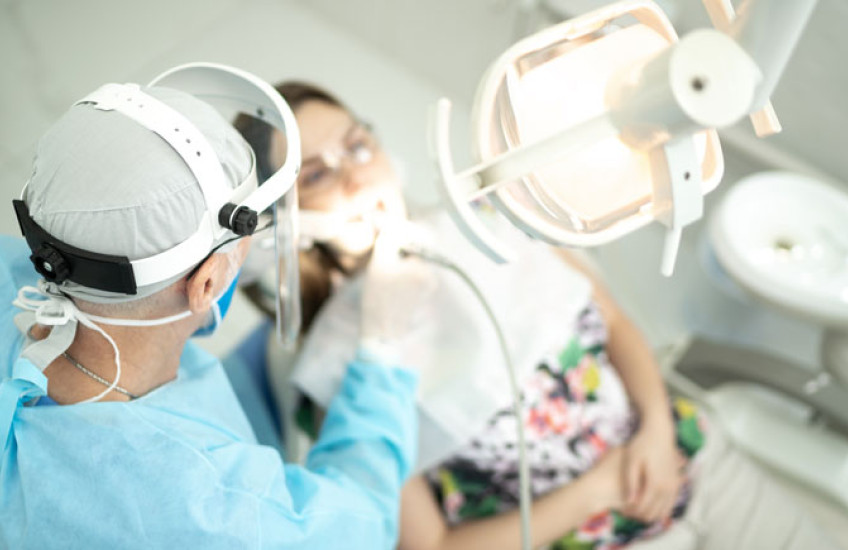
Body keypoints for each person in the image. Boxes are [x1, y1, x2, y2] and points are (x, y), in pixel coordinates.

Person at [238, 80, 843, 550]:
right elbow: (431, 545)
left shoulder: (491, 221)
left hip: (689, 458)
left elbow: (616, 323)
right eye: (316, 173)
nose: (356, 172)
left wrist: (657, 428)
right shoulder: (335, 378)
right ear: (281, 222)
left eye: (357, 144)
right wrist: (600, 490)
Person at [0, 73, 422, 549]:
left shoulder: (14, 267)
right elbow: (363, 525)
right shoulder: (210, 511)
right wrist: (380, 348)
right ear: (204, 285)